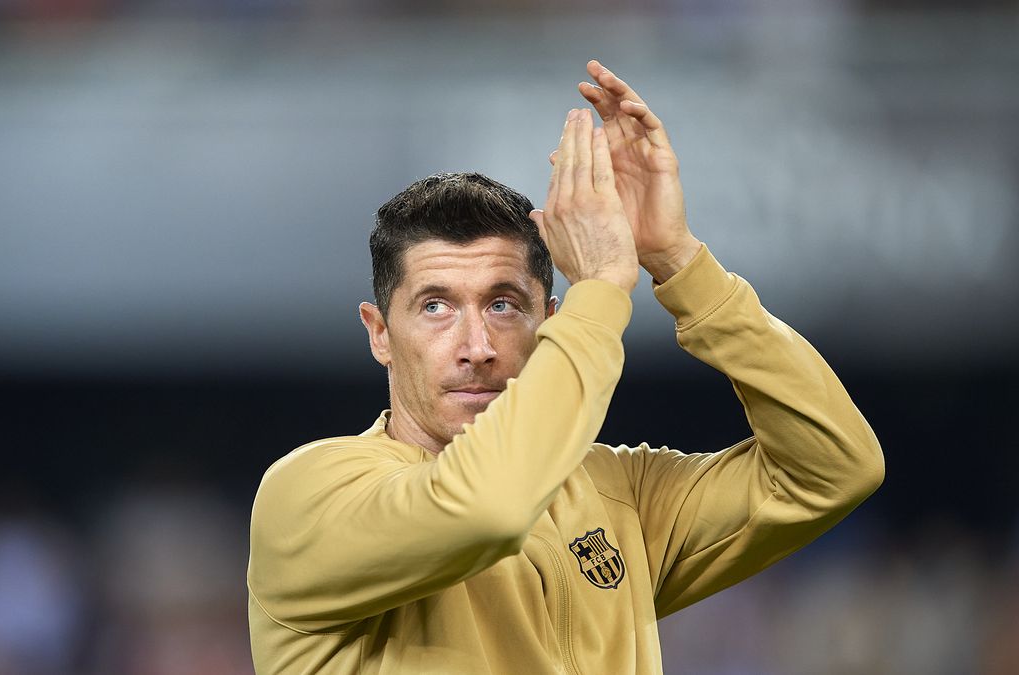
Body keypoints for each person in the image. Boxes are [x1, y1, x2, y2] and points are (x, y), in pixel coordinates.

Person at [247, 60, 884, 674]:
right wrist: (603, 290)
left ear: (547, 321)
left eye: (503, 304)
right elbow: (488, 510)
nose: (477, 346)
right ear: (381, 334)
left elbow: (834, 468)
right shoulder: (310, 495)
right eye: (436, 307)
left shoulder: (618, 496)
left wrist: (679, 262)